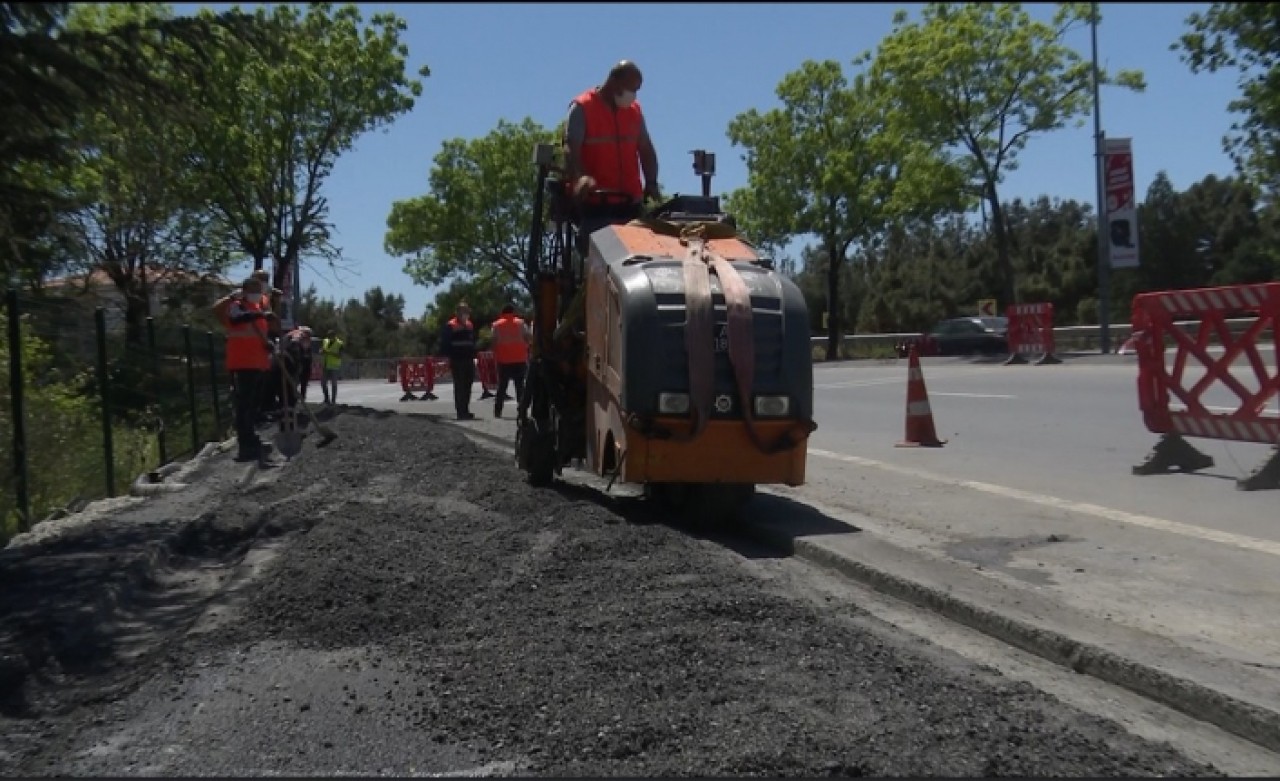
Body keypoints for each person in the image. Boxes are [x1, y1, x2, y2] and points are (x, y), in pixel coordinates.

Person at [563, 59, 661, 253]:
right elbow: (570, 147)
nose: (633, 95)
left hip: (630, 205)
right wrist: (581, 176)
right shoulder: (583, 107)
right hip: (595, 206)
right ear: (614, 82)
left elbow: (646, 148)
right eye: (631, 88)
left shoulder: (634, 111)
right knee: (603, 255)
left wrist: (651, 181)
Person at [221, 278, 278, 464]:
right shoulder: (237, 306)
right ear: (244, 290)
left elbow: (256, 335)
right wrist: (259, 316)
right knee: (244, 405)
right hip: (242, 362)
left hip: (257, 362)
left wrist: (267, 344)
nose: (257, 292)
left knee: (253, 404)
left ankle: (251, 437)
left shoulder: (255, 308)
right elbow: (235, 320)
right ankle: (245, 446)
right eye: (253, 289)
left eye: (258, 289)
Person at [490, 303, 532, 418]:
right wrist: (527, 347)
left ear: (502, 313)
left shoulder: (496, 325)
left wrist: (495, 352)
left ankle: (498, 411)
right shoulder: (521, 323)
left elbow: (493, 341)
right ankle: (522, 410)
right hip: (519, 359)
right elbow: (528, 337)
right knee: (520, 387)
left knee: (502, 387)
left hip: (503, 360)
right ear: (513, 312)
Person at [439, 301, 477, 420]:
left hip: (469, 359)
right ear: (457, 312)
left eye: (467, 311)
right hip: (457, 360)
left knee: (468, 386)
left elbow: (472, 342)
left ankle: (466, 409)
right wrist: (448, 357)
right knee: (460, 386)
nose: (466, 314)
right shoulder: (451, 325)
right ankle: (461, 412)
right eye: (463, 311)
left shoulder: (470, 325)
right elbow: (445, 343)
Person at [320, 330, 344, 405]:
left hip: (334, 366)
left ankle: (333, 401)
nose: (330, 337)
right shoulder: (325, 341)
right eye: (328, 336)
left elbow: (340, 355)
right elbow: (321, 350)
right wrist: (321, 351)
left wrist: (329, 352)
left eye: (331, 336)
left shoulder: (339, 343)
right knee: (323, 383)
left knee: (333, 384)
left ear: (334, 336)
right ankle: (326, 399)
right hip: (325, 365)